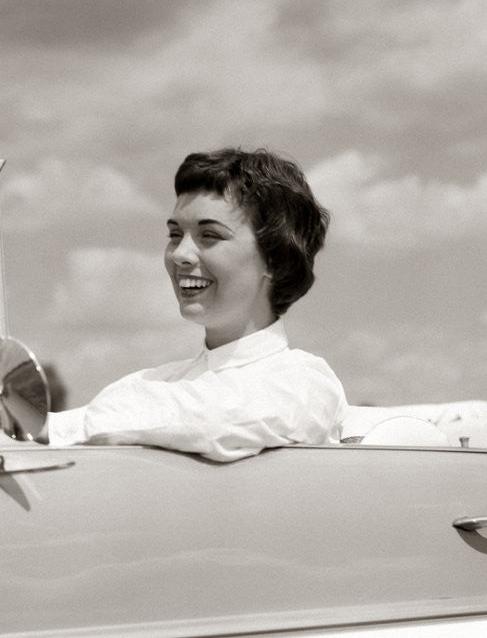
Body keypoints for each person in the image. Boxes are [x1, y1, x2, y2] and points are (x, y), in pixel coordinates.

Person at [40, 147, 347, 462]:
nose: (179, 254)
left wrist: (55, 427)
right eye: (175, 235)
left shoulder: (306, 384)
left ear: (276, 260)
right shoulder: (150, 383)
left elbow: (215, 418)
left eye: (209, 235)